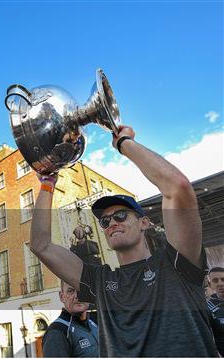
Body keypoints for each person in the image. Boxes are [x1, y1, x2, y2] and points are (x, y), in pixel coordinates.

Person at [30, 124, 218, 357]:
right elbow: (41, 245)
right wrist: (47, 184)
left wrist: (124, 143)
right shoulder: (100, 282)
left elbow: (177, 187)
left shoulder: (177, 264)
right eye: (105, 221)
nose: (112, 223)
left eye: (120, 215)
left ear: (144, 222)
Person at [42, 281, 98, 357]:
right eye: (70, 291)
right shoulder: (57, 332)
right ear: (62, 296)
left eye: (82, 289)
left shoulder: (94, 324)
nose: (77, 296)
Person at [208, 267, 224, 356]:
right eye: (215, 280)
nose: (220, 283)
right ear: (211, 285)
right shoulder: (207, 307)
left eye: (223, 279)